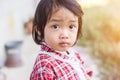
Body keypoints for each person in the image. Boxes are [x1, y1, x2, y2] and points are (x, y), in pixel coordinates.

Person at [30, 0, 93, 80]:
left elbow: (81, 71)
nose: (65, 35)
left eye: (71, 27)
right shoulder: (45, 66)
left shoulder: (71, 52)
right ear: (39, 29)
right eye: (55, 26)